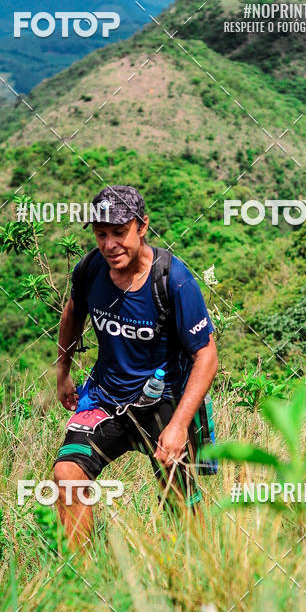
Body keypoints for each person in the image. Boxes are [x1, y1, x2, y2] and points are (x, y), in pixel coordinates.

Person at [54, 184, 218, 548]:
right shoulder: (90, 270)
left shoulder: (173, 280)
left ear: (142, 227)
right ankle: (81, 574)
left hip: (164, 402)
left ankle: (200, 569)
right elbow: (73, 313)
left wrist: (179, 425)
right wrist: (63, 372)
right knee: (67, 476)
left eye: (119, 232)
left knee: (180, 502)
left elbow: (206, 356)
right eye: (101, 234)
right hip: (105, 400)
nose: (110, 245)